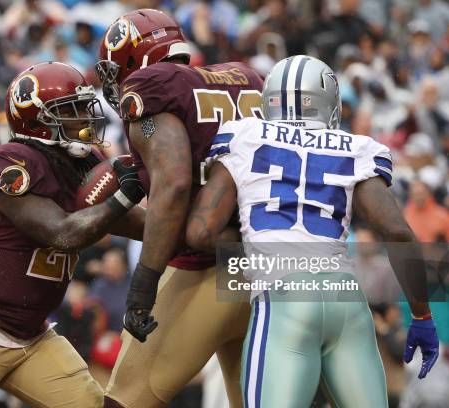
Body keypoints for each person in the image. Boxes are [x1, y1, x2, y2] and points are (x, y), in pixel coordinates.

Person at [186, 56, 439, 407]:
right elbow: (397, 233)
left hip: (283, 300)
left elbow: (200, 233)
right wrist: (422, 315)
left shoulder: (242, 135)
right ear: (329, 104)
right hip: (346, 302)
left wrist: (252, 245)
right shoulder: (357, 147)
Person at [0, 62, 146, 408]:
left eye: (86, 106)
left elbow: (140, 225)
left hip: (30, 331)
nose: (85, 117)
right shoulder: (12, 161)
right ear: (37, 119)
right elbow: (62, 233)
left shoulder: (82, 164)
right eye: (72, 109)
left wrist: (199, 225)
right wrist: (121, 198)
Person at [95, 8, 264, 407]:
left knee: (123, 399)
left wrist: (143, 285)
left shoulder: (150, 92)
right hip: (260, 268)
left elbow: (172, 185)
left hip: (200, 272)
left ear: (133, 60)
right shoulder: (247, 77)